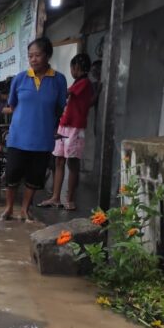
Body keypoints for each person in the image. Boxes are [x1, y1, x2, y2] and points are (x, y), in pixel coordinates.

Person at [3, 37, 67, 222]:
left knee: (35, 175)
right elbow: (13, 105)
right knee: (13, 173)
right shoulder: (20, 78)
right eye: (30, 56)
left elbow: (59, 107)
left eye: (37, 55)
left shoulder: (59, 80)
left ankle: (25, 210)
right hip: (18, 137)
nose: (33, 59)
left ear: (47, 56)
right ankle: (8, 209)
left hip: (42, 138)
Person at [38, 53, 93, 211]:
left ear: (77, 67)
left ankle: (69, 199)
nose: (71, 70)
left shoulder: (84, 83)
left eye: (72, 67)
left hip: (75, 127)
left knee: (73, 163)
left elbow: (66, 93)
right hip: (65, 124)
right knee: (59, 161)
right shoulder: (80, 83)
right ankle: (56, 197)